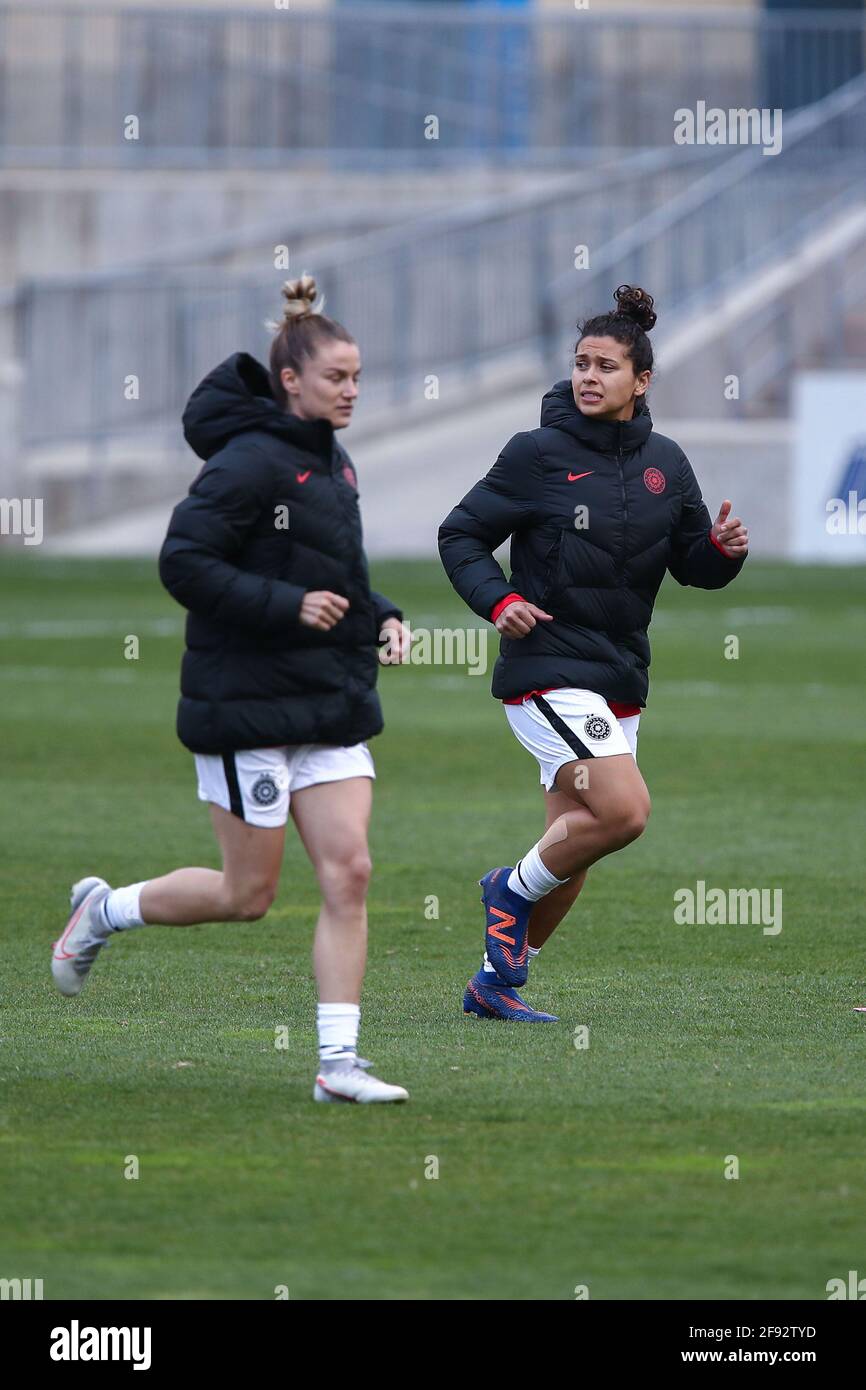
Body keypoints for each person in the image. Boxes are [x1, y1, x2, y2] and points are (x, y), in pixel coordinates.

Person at [52, 274, 410, 1104]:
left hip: (327, 702)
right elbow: (183, 563)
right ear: (291, 380)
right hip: (246, 702)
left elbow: (339, 574)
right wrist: (288, 606)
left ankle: (338, 1067)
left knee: (349, 871)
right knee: (247, 896)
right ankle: (105, 910)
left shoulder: (337, 464)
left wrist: (382, 614)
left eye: (358, 377)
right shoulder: (247, 463)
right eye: (336, 378)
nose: (351, 391)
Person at [438, 284, 749, 1021]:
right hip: (547, 669)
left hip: (619, 677)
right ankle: (506, 889)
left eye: (606, 366)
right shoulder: (535, 454)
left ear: (641, 382)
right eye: (581, 363)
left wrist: (721, 551)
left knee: (573, 845)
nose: (588, 376)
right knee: (624, 811)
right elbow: (460, 534)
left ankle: (492, 985)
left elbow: (692, 566)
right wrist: (500, 601)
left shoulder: (666, 464)